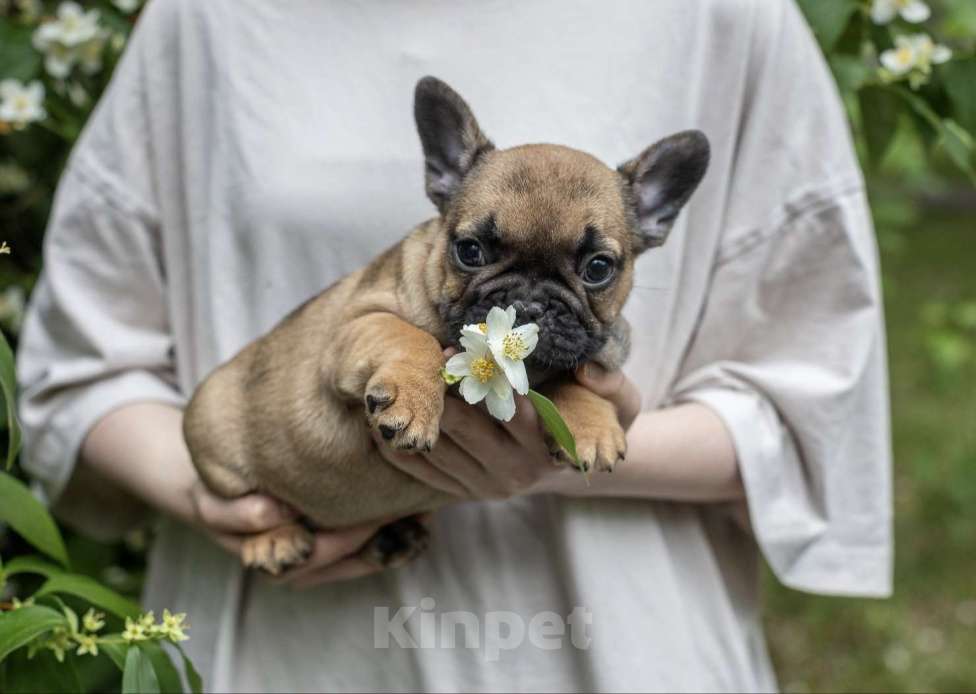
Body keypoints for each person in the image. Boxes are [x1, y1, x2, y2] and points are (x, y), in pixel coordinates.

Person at [17, 0, 892, 691]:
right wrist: (225, 495)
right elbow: (83, 369)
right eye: (479, 252)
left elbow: (821, 413)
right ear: (442, 184)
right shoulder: (203, 17)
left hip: (620, 651)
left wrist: (566, 447)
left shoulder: (730, 15)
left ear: (651, 222)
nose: (531, 295)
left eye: (588, 266)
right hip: (286, 646)